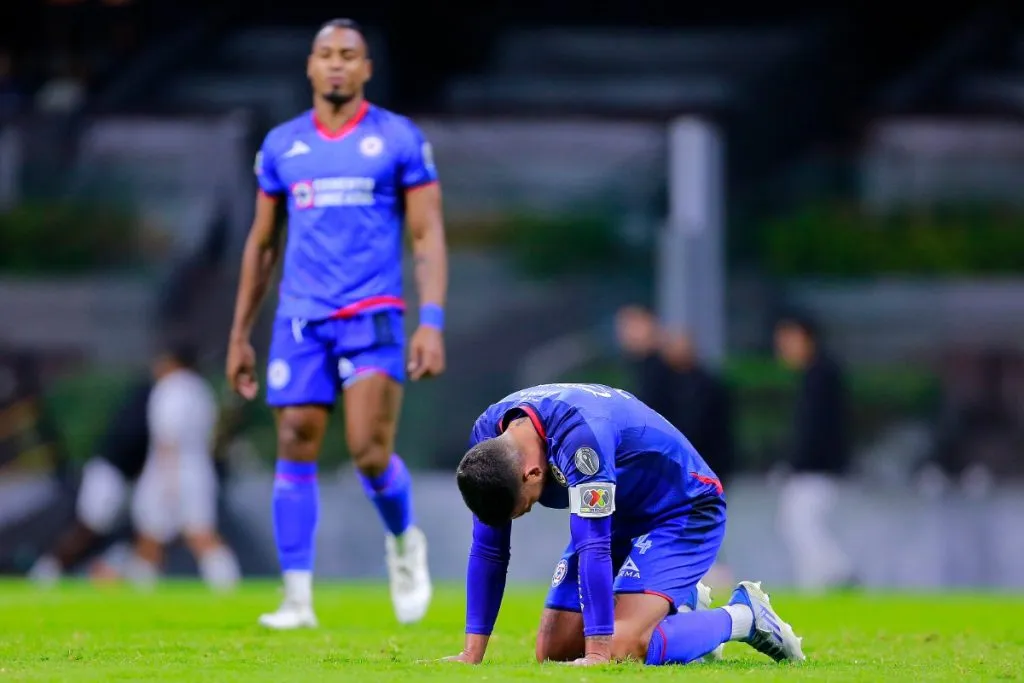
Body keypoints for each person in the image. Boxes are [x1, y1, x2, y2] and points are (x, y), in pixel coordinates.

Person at [225, 18, 447, 628]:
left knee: (368, 452)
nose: (337, 65)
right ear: (309, 67)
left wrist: (431, 321)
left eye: (349, 55)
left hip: (372, 314)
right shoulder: (282, 146)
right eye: (326, 55)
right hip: (300, 317)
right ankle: (296, 596)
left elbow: (426, 234)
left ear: (366, 68)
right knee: (294, 435)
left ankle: (405, 543)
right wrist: (240, 333)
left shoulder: (398, 139)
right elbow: (262, 243)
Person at [444, 383, 805, 666]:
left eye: (520, 508)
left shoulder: (580, 437)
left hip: (681, 509)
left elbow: (593, 545)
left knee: (619, 644)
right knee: (554, 650)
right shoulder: (489, 439)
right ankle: (681, 605)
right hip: (619, 511)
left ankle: (745, 616)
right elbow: (489, 550)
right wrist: (471, 653)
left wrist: (599, 652)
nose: (520, 515)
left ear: (533, 473)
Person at [125, 338, 240, 591]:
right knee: (189, 531)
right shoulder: (200, 389)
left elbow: (169, 436)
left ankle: (144, 587)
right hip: (199, 468)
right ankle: (226, 582)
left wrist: (168, 479)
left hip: (171, 469)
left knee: (163, 532)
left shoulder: (171, 388)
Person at [28, 378, 153, 585]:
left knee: (147, 527)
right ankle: (47, 570)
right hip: (111, 472)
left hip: (134, 478)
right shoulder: (148, 396)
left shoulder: (162, 395)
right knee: (90, 527)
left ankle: (123, 572)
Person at [774, 313, 855, 592]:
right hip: (815, 467)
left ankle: (834, 573)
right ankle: (825, 576)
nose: (782, 348)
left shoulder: (821, 376)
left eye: (787, 340)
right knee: (798, 523)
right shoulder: (816, 374)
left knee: (801, 522)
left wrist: (796, 462)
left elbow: (818, 429)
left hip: (817, 469)